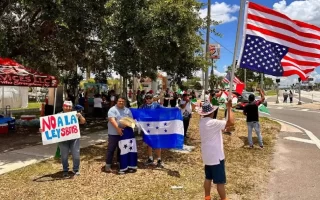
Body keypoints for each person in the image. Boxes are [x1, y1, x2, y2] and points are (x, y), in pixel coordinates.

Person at [198, 100, 234, 200]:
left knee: (208, 177)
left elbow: (222, 126)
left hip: (207, 155)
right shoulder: (213, 123)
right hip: (216, 156)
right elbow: (231, 122)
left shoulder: (201, 122)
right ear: (212, 112)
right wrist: (229, 108)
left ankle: (207, 197)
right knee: (220, 182)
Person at [46, 101, 86, 178]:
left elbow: (83, 122)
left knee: (76, 155)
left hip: (74, 139)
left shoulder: (75, 114)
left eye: (69, 106)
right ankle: (65, 170)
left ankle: (76, 169)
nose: (68, 108)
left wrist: (80, 116)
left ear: (71, 107)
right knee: (64, 156)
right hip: (63, 140)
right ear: (63, 106)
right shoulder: (58, 116)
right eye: (66, 106)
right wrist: (43, 130)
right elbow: (51, 126)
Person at [105, 96, 133, 173]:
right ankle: (108, 165)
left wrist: (126, 124)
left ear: (125, 102)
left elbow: (130, 120)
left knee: (121, 150)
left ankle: (120, 164)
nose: (121, 102)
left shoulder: (127, 110)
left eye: (123, 101)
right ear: (117, 102)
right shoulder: (112, 109)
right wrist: (118, 128)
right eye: (119, 101)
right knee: (111, 149)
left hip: (124, 134)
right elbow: (112, 120)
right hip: (113, 133)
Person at [139, 93, 164, 168]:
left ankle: (159, 159)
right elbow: (139, 115)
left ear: (152, 98)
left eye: (150, 98)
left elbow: (163, 110)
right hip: (147, 128)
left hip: (156, 127)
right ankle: (150, 158)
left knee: (157, 144)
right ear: (145, 99)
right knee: (149, 143)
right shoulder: (142, 106)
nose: (148, 99)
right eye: (147, 98)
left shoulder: (156, 105)